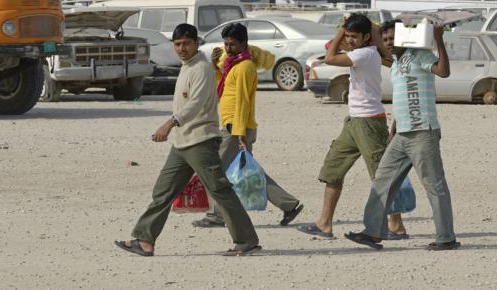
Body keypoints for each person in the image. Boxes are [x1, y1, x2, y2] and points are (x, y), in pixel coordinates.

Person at [114, 23, 261, 257]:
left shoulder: (201, 68)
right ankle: (144, 240)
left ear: (196, 43)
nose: (181, 48)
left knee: (220, 190)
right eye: (177, 44)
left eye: (186, 44)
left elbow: (196, 104)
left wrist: (170, 123)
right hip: (183, 143)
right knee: (163, 192)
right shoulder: (187, 66)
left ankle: (246, 240)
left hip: (200, 140)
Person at [345, 19, 460, 251]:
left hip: (422, 132)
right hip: (401, 134)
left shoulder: (420, 54)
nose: (388, 43)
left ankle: (446, 238)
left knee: (434, 186)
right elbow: (404, 97)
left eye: (392, 39)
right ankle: (373, 232)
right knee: (382, 181)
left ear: (404, 38)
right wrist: (393, 130)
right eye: (385, 39)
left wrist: (438, 39)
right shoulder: (396, 63)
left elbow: (444, 72)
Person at [297, 14, 408, 240]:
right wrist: (346, 30)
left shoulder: (366, 54)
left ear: (366, 37)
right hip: (353, 120)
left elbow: (329, 58)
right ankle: (324, 224)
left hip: (369, 122)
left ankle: (396, 225)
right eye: (348, 36)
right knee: (333, 170)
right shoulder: (362, 52)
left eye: (353, 36)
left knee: (381, 175)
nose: (350, 40)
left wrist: (340, 30)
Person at [192, 23, 304, 228]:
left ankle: (218, 215)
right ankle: (288, 205)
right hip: (231, 125)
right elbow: (223, 87)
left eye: (233, 44)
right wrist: (216, 65)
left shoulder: (245, 67)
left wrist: (239, 134)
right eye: (226, 44)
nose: (228, 48)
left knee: (217, 170)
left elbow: (243, 101)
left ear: (244, 43)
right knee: (249, 171)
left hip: (235, 127)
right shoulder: (232, 64)